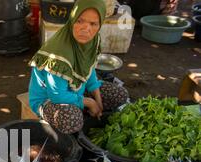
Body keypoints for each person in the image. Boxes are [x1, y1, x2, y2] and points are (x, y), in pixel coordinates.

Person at [28, 0, 129, 135]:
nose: (85, 28)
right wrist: (90, 103)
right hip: (49, 99)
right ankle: (81, 112)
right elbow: (57, 96)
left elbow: (89, 70)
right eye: (80, 21)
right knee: (73, 120)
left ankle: (85, 109)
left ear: (99, 26)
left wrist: (98, 100)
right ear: (72, 20)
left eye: (93, 24)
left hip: (77, 89)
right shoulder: (58, 54)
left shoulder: (92, 41)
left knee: (120, 95)